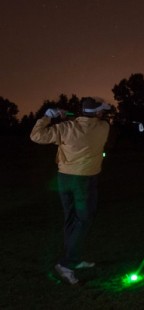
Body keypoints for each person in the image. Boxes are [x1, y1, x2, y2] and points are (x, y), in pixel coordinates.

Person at [30, 97, 111, 285]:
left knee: (71, 219)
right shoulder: (103, 127)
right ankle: (66, 264)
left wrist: (49, 116)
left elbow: (36, 136)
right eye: (102, 111)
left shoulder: (66, 127)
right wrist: (65, 119)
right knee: (83, 221)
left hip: (64, 178)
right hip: (85, 180)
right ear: (97, 113)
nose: (104, 114)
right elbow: (88, 124)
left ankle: (73, 259)